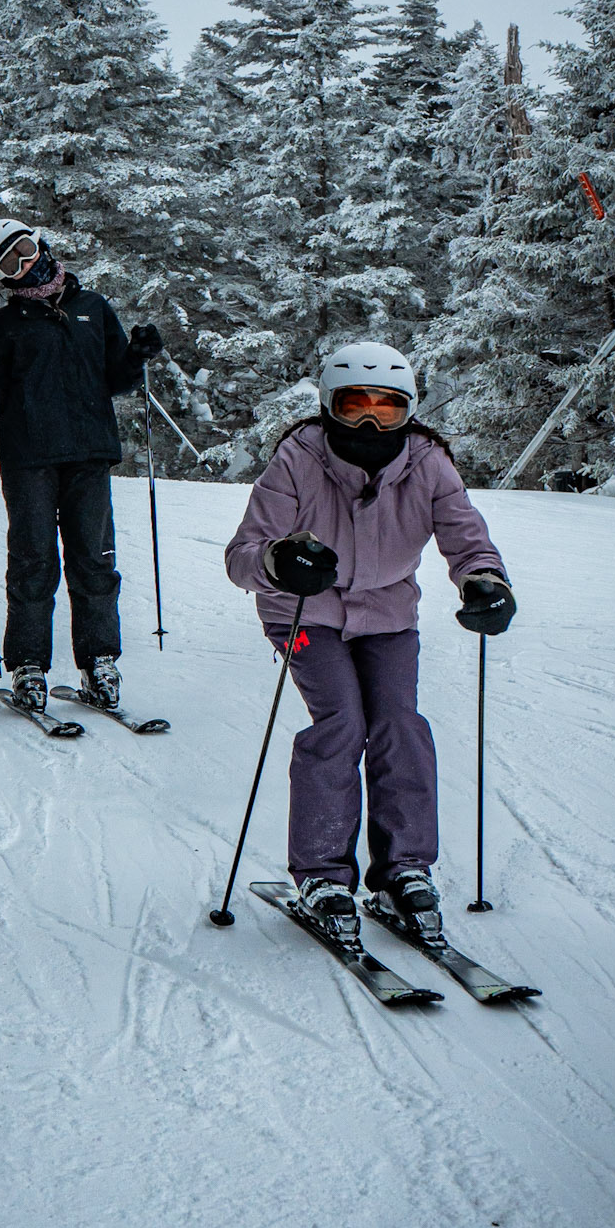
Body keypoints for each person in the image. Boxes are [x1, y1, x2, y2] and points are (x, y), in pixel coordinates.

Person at [223, 339, 516, 944]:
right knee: (341, 722)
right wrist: (279, 560)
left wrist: (484, 581)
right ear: (329, 404)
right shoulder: (298, 459)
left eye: (387, 408)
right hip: (303, 612)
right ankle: (323, 873)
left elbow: (466, 537)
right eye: (355, 405)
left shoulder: (428, 462)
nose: (370, 422)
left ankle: (403, 868)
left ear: (410, 410)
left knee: (398, 724)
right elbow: (242, 555)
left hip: (387, 613)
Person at [0, 218, 162, 713]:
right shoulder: (6, 323)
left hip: (89, 454)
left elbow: (117, 379)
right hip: (29, 459)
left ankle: (99, 662)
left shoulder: (93, 307)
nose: (25, 263)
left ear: (40, 243)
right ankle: (28, 666)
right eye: (10, 262)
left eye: (25, 249)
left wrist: (136, 355)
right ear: (1, 277)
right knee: (32, 561)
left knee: (94, 561)